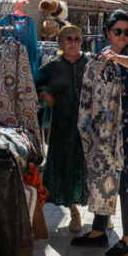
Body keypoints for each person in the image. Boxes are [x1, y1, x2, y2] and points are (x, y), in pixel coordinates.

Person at [72, 10, 128, 256]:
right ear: (109, 32)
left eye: (127, 32)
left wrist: (118, 59)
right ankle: (99, 231)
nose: (122, 36)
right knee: (103, 173)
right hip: (105, 127)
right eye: (117, 31)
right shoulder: (100, 57)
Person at [37, 25, 90, 233]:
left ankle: (101, 214)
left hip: (90, 127)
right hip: (63, 127)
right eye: (68, 39)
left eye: (77, 39)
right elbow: (35, 83)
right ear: (60, 43)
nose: (73, 43)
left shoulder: (90, 62)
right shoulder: (52, 66)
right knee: (67, 169)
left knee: (92, 169)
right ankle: (74, 211)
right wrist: (45, 96)